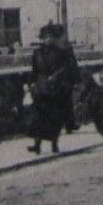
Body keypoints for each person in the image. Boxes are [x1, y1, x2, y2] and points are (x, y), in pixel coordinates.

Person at [25, 23, 80, 154]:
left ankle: (54, 144)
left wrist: (55, 77)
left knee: (54, 118)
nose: (47, 39)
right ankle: (37, 144)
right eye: (44, 37)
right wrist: (29, 83)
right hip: (41, 87)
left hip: (55, 89)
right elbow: (34, 70)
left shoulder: (60, 52)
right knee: (38, 117)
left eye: (49, 37)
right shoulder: (37, 53)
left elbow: (66, 68)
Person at [80, 66, 103, 151]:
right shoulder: (93, 79)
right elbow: (86, 89)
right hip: (95, 106)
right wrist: (81, 100)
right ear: (102, 72)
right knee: (98, 126)